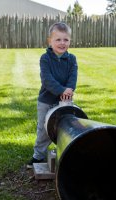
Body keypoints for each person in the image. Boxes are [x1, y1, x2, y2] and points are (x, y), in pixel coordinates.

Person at [27, 22, 78, 166]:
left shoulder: (72, 59)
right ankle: (38, 155)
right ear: (50, 41)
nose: (62, 43)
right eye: (58, 39)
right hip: (47, 101)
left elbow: (72, 77)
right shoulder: (45, 58)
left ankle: (65, 153)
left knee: (66, 127)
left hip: (65, 101)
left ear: (70, 41)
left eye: (66, 40)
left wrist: (69, 90)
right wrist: (61, 90)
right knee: (44, 129)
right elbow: (47, 80)